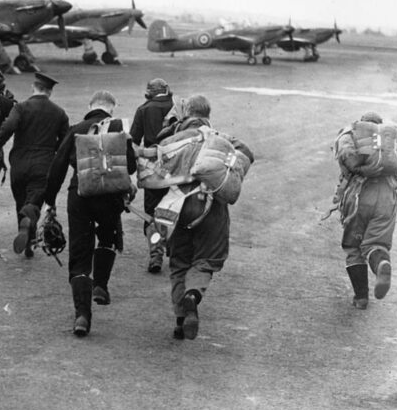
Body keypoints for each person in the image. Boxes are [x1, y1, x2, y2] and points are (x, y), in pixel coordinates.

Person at [44, 90, 137, 337]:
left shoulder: (76, 128)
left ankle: (82, 315)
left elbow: (58, 165)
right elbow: (132, 164)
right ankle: (101, 287)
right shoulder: (119, 128)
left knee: (80, 253)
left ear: (90, 106)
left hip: (80, 195)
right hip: (110, 196)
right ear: (111, 108)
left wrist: (50, 201)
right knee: (107, 237)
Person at [161, 95, 253, 340]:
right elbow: (246, 153)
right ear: (207, 115)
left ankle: (180, 321)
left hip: (178, 208)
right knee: (206, 260)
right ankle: (193, 295)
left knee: (179, 262)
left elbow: (156, 175)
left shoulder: (172, 139)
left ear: (187, 114)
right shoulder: (221, 139)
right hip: (212, 208)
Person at [334, 112, 397, 309]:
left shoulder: (350, 138)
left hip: (359, 197)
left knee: (354, 247)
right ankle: (382, 264)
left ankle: (361, 298)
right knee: (376, 244)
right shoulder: (388, 146)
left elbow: (347, 165)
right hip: (385, 198)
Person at [0, 72, 69, 257]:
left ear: (33, 88)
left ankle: (29, 241)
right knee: (33, 202)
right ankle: (29, 232)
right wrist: (55, 150)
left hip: (19, 162)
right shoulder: (59, 112)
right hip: (43, 163)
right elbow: (65, 139)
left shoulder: (21, 107)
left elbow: (8, 127)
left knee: (21, 202)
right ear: (50, 92)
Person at [130, 78, 175, 274]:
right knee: (175, 207)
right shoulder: (178, 107)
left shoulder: (143, 109)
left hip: (152, 168)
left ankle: (156, 253)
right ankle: (174, 249)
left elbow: (133, 140)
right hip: (176, 164)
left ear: (149, 92)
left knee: (152, 211)